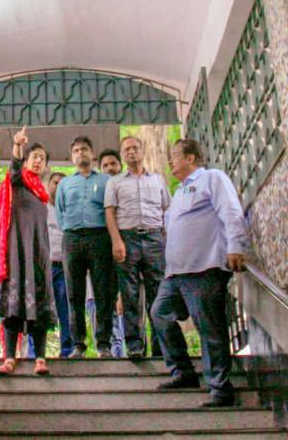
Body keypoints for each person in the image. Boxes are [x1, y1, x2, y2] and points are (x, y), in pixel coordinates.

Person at [151, 139, 248, 407]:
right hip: (175, 275)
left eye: (175, 156)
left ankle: (219, 388)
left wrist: (236, 246)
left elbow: (230, 211)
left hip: (205, 268)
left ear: (191, 158)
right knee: (159, 314)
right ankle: (183, 372)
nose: (171, 161)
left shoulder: (212, 178)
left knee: (209, 327)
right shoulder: (179, 192)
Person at [0, 127, 56, 375]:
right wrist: (17, 146)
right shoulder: (16, 182)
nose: (38, 161)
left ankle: (40, 358)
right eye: (34, 156)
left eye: (42, 159)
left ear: (45, 166)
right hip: (14, 254)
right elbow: (14, 168)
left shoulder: (42, 194)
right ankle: (10, 358)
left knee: (39, 308)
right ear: (26, 160)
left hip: (38, 255)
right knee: (12, 308)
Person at [105, 135, 170, 359]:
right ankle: (135, 345)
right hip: (128, 239)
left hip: (154, 239)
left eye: (135, 148)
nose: (131, 152)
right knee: (130, 294)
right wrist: (116, 241)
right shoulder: (115, 182)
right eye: (126, 150)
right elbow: (110, 212)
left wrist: (166, 241)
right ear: (123, 156)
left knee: (158, 293)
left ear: (142, 151)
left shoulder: (158, 180)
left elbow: (166, 210)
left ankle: (160, 345)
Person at [56, 136, 115, 358]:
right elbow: (60, 213)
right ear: (72, 157)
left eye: (85, 149)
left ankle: (103, 343)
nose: (81, 153)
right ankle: (78, 344)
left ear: (92, 154)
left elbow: (112, 210)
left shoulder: (107, 181)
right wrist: (70, 231)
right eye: (77, 150)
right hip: (72, 239)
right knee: (74, 293)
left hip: (100, 237)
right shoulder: (65, 184)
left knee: (103, 292)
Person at [46, 172, 74, 357]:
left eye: (63, 183)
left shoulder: (71, 210)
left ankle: (67, 350)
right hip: (45, 265)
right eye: (55, 182)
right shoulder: (41, 208)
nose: (58, 186)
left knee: (66, 309)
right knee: (40, 309)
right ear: (49, 185)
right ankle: (35, 352)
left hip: (65, 266)